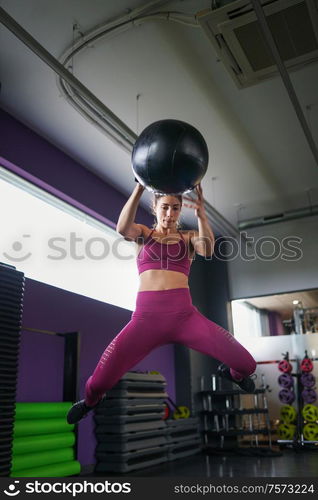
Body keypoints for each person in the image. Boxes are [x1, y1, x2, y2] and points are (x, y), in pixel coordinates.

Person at [67, 182, 256, 424]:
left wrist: (201, 215)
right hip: (145, 321)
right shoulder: (144, 235)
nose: (170, 213)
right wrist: (138, 188)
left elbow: (208, 249)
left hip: (185, 319)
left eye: (176, 208)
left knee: (247, 365)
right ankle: (91, 402)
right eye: (165, 207)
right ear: (155, 206)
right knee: (99, 383)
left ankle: (233, 375)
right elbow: (123, 228)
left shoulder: (188, 238)